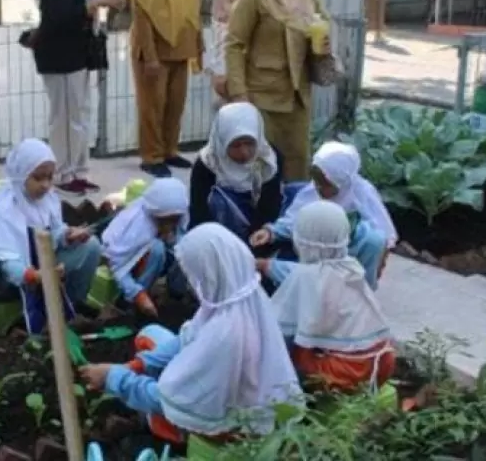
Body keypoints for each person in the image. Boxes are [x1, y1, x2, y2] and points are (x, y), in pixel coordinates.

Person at [80, 223, 304, 445]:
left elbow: (171, 401)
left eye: (193, 274)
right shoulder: (242, 298)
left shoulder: (224, 335)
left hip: (226, 431)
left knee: (160, 406)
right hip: (243, 399)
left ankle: (170, 433)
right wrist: (138, 365)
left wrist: (114, 379)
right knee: (151, 334)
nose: (190, 282)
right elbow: (185, 339)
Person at [0, 138, 101, 335]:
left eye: (50, 178)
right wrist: (32, 275)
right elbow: (6, 259)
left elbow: (55, 232)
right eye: (38, 177)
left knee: (91, 245)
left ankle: (73, 305)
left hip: (43, 271)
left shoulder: (48, 199)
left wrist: (68, 236)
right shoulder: (3, 207)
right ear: (21, 175)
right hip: (7, 279)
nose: (45, 185)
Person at [225, 0, 329, 181]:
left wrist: (323, 43)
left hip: (298, 95)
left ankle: (291, 219)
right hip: (262, 98)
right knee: (260, 169)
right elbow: (234, 44)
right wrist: (239, 95)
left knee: (297, 166)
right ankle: (259, 220)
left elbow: (322, 20)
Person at [30, 0, 125, 195]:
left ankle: (78, 171)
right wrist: (96, 3)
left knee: (79, 114)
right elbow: (60, 17)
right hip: (61, 58)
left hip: (73, 56)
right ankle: (63, 173)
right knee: (67, 117)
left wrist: (97, 1)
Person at [272, 200, 396, 393]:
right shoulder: (350, 266)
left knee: (280, 352)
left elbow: (278, 329)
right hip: (382, 361)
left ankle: (294, 401)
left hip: (343, 371)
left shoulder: (307, 276)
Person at [250, 141, 397, 290]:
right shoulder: (312, 191)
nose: (318, 187)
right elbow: (295, 220)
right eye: (317, 181)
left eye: (325, 183)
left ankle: (361, 288)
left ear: (341, 182)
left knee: (375, 242)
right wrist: (271, 232)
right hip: (312, 255)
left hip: (348, 256)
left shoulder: (362, 198)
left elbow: (383, 237)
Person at [125, 0, 204, 178]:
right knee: (152, 105)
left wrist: (198, 43)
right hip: (154, 50)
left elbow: (193, 7)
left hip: (180, 48)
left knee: (175, 103)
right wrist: (149, 56)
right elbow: (142, 16)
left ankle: (170, 150)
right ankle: (151, 155)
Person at [188, 103, 283, 249]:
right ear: (222, 140)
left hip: (258, 234)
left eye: (249, 144)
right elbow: (199, 213)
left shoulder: (268, 160)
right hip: (217, 236)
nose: (244, 152)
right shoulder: (208, 163)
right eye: (236, 145)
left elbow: (270, 208)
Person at [101, 177, 189, 317]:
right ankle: (132, 303)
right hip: (132, 267)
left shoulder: (179, 215)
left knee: (186, 248)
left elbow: (181, 243)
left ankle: (176, 296)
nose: (171, 224)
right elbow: (117, 266)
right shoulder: (136, 227)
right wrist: (138, 295)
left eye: (175, 219)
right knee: (157, 249)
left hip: (160, 261)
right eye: (166, 220)